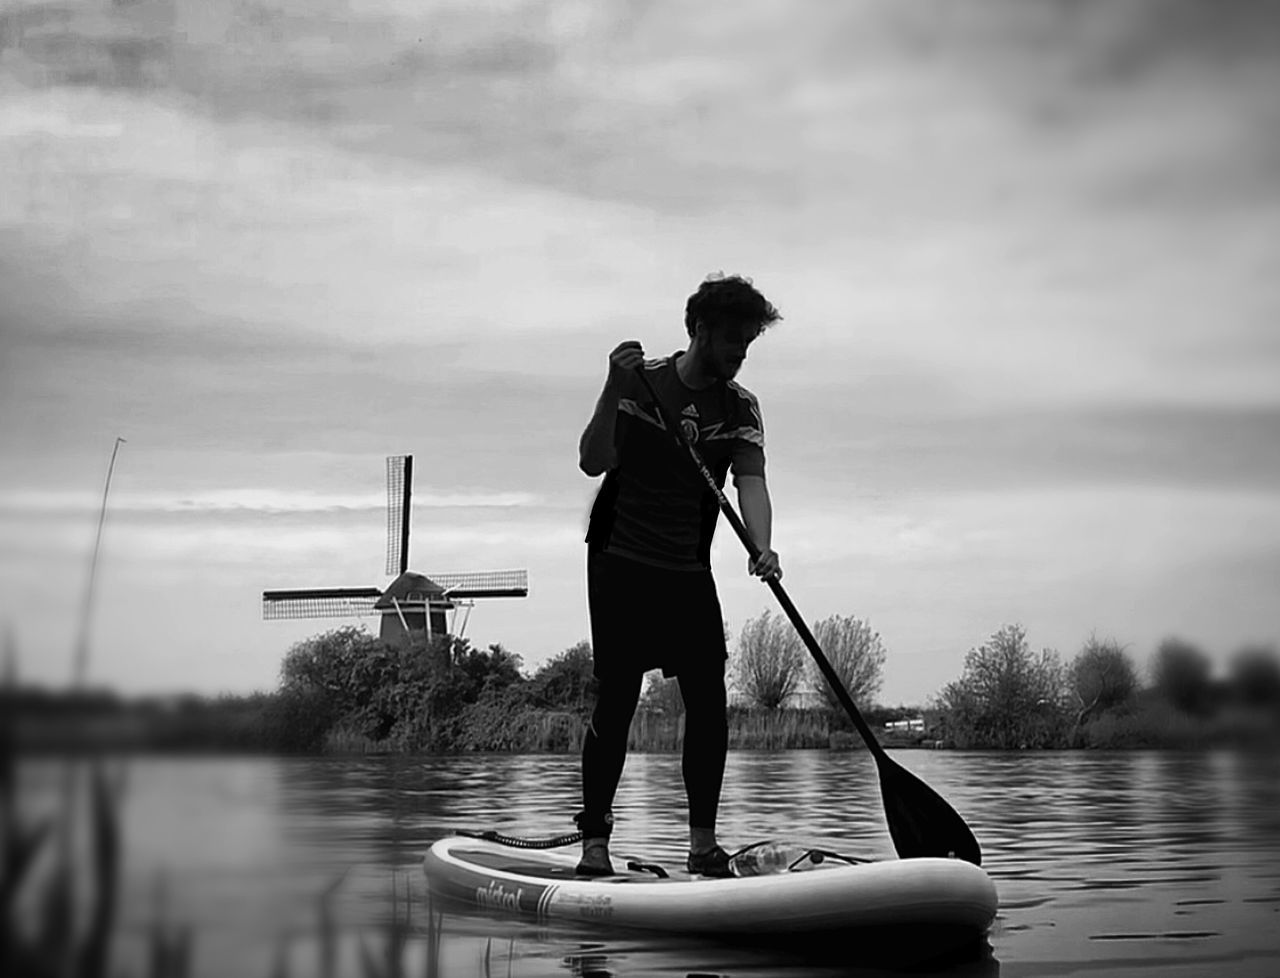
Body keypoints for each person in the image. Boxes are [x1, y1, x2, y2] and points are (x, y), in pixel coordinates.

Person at [574, 273, 783, 877]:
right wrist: (612, 387)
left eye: (748, 344)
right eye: (731, 342)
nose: (740, 355)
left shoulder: (740, 408)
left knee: (709, 700)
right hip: (618, 560)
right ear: (698, 331)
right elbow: (593, 461)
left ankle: (702, 845)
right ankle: (595, 843)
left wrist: (763, 547)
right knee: (617, 695)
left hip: (687, 568)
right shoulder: (642, 382)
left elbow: (752, 483)